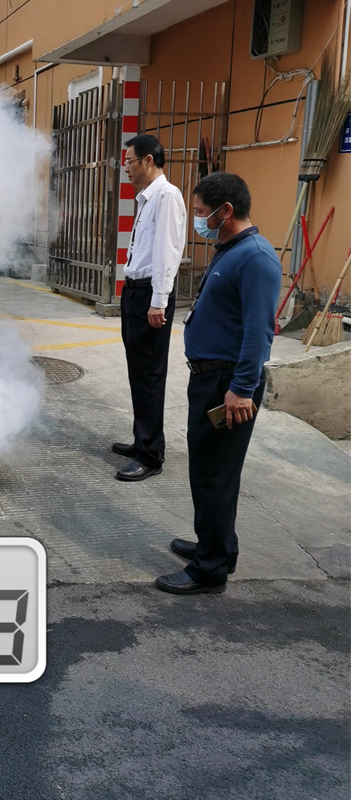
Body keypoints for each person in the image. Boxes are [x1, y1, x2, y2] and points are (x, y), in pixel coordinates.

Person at [156, 172, 281, 595]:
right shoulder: (230, 249)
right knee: (212, 472)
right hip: (211, 378)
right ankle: (218, 546)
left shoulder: (256, 258)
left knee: (213, 475)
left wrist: (242, 389)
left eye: (200, 212)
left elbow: (259, 333)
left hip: (228, 384)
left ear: (225, 211)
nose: (197, 220)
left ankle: (209, 570)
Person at [113, 134, 187, 481]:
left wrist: (158, 302)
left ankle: (151, 455)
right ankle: (141, 439)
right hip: (135, 292)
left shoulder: (166, 196)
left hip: (150, 298)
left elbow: (167, 253)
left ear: (147, 160)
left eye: (129, 161)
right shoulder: (147, 197)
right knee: (138, 372)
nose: (126, 167)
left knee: (150, 375)